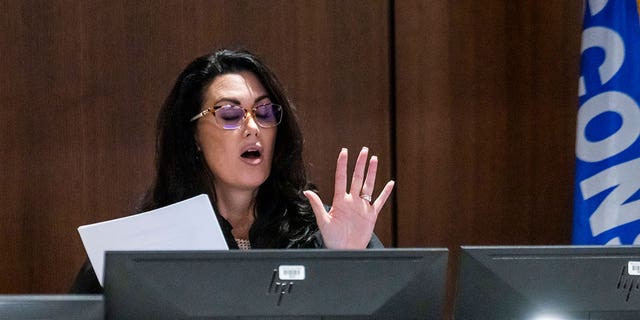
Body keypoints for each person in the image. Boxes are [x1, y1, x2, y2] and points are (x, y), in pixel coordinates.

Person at [70, 49, 395, 293]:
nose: (253, 127)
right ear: (193, 135)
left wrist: (345, 260)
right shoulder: (147, 243)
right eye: (230, 114)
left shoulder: (324, 228)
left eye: (265, 112)